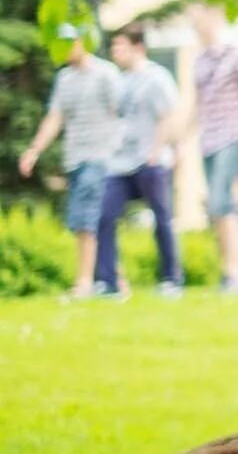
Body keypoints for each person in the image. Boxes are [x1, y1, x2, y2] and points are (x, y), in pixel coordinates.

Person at [15, 26, 120, 299]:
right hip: (75, 158)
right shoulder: (64, 79)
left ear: (79, 42)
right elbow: (55, 118)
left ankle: (84, 283)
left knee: (86, 220)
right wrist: (34, 150)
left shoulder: (105, 74)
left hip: (100, 157)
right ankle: (114, 281)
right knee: (89, 221)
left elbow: (120, 113)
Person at [93, 23, 185, 298]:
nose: (115, 52)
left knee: (162, 218)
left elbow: (167, 116)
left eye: (120, 46)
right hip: (120, 163)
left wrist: (158, 151)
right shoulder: (119, 81)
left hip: (151, 161)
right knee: (105, 216)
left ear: (138, 48)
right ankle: (108, 282)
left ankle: (171, 279)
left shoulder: (157, 78)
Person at [188, 4, 238, 293]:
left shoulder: (237, 54)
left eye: (198, 18)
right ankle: (229, 271)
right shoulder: (199, 61)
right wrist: (172, 140)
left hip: (235, 136)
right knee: (217, 206)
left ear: (214, 16)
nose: (195, 24)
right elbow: (196, 107)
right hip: (208, 140)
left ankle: (236, 274)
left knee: (222, 201)